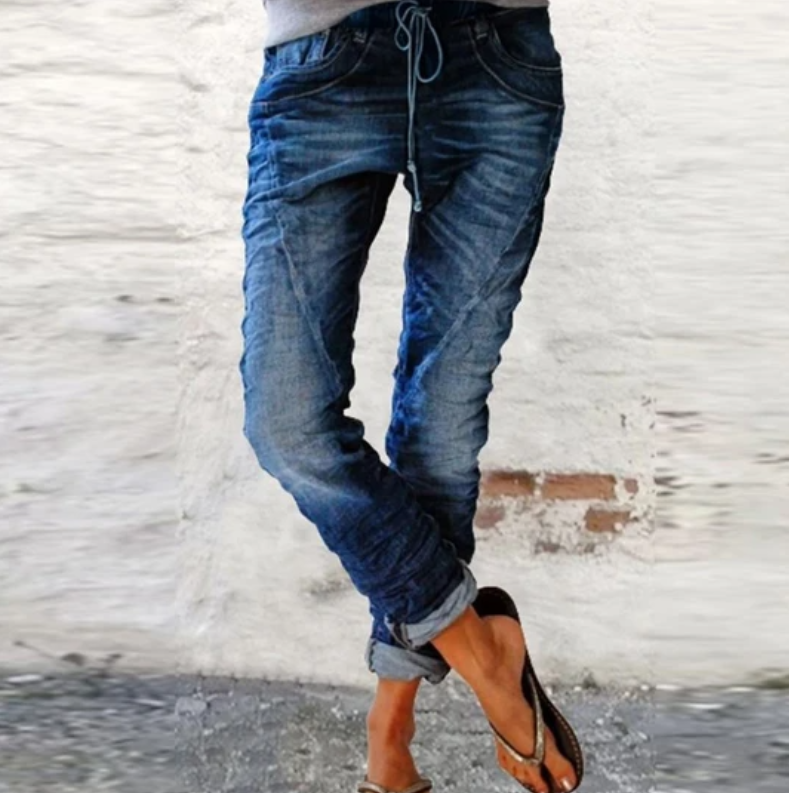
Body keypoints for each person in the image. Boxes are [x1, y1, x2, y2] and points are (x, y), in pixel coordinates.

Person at [240, 2, 582, 791]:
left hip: (496, 53)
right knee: (286, 423)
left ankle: (390, 731)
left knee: (440, 427)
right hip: (322, 60)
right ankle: (486, 657)